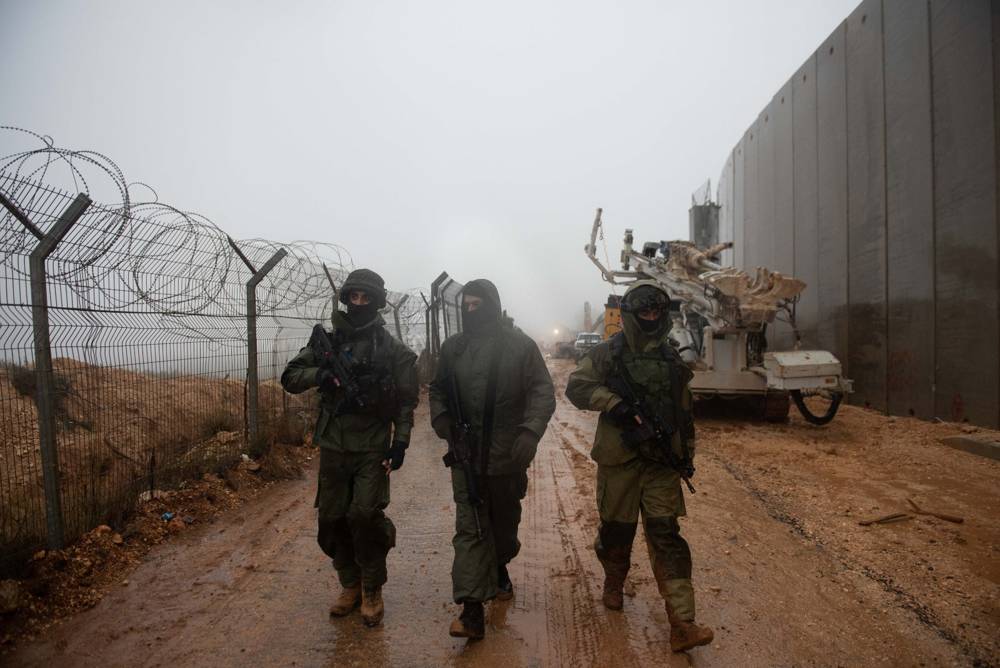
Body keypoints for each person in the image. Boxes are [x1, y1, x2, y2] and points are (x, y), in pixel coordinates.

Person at [564, 280, 714, 653]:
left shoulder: (671, 359)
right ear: (631, 315)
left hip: (661, 465)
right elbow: (577, 386)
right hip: (620, 461)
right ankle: (614, 579)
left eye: (656, 313)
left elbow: (684, 414)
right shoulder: (607, 354)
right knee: (617, 534)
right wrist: (612, 403)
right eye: (644, 312)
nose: (650, 318)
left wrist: (686, 457)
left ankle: (682, 622)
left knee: (667, 537)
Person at [281, 268, 418, 627]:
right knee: (331, 519)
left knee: (364, 517)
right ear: (346, 299)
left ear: (377, 302)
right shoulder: (327, 342)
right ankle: (349, 583)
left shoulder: (393, 351)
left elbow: (406, 401)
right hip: (333, 447)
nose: (358, 303)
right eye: (353, 297)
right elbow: (290, 377)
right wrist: (320, 374)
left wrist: (400, 441)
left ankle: (372, 588)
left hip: (372, 447)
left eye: (366, 298)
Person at [429, 279, 556, 640]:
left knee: (503, 525)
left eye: (477, 305)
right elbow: (438, 389)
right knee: (470, 529)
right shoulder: (454, 348)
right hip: (465, 454)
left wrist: (529, 433)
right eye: (465, 306)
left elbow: (542, 391)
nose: (471, 311)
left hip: (506, 455)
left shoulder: (520, 347)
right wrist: (442, 420)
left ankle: (500, 565)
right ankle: (471, 611)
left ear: (492, 306)